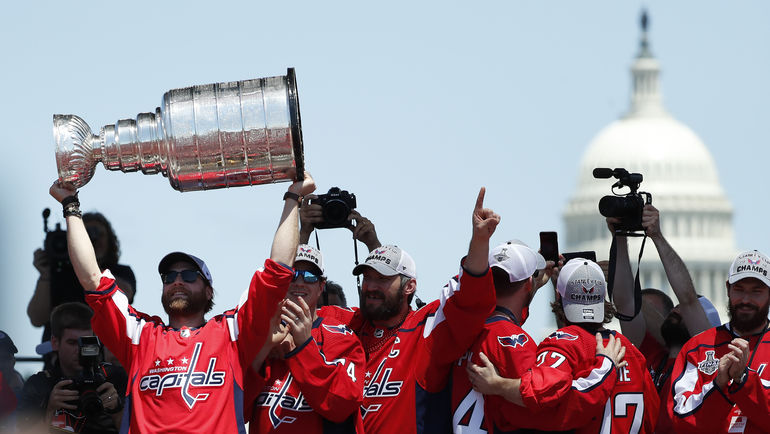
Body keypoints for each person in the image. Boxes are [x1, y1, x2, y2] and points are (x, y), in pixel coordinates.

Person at [47, 172, 315, 433]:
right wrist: (70, 205)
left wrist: (293, 196)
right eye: (169, 276)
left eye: (188, 275)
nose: (177, 281)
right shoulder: (139, 335)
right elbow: (92, 280)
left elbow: (277, 271)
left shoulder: (232, 332)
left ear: (209, 292)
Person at [319, 187, 498, 434]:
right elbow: (296, 308)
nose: (370, 286)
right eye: (367, 277)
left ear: (409, 286)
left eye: (382, 279)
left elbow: (472, 299)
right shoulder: (348, 324)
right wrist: (303, 229)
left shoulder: (427, 329)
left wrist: (479, 242)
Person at [452, 242, 627, 433]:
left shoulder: (465, 329)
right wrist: (605, 367)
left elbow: (503, 321)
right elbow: (548, 408)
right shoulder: (513, 340)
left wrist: (531, 287)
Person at [610, 205, 715, 432]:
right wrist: (618, 237)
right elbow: (627, 302)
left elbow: (687, 298)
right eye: (674, 308)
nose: (676, 310)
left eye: (684, 312)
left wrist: (656, 236)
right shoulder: (649, 356)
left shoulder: (705, 359)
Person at [244, 244, 365, 432]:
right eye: (292, 274)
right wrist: (262, 350)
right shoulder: (258, 332)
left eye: (309, 277)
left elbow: (342, 405)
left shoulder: (341, 337)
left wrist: (302, 347)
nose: (299, 282)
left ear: (321, 287)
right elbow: (235, 408)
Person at [668, 250, 770, 433]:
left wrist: (743, 380)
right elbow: (681, 422)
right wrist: (718, 383)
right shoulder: (697, 348)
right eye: (739, 289)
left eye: (757, 292)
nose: (746, 300)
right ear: (728, 288)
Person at [29, 212, 136, 369]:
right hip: (59, 366)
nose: (94, 239)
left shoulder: (119, 272)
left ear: (110, 240)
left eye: (99, 234)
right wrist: (45, 275)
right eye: (87, 234)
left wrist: (88, 262)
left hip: (105, 363)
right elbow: (37, 318)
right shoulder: (60, 274)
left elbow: (125, 294)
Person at [16, 302, 127, 433]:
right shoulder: (40, 384)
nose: (79, 350)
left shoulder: (114, 378)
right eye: (72, 343)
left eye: (86, 342)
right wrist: (50, 410)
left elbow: (139, 429)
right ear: (55, 342)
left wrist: (117, 410)